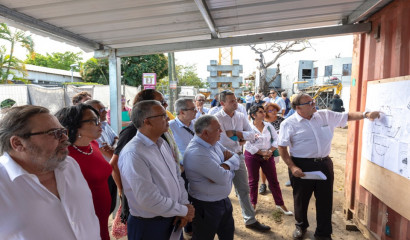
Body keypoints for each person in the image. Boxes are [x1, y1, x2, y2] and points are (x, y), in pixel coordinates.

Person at [278, 93, 380, 240]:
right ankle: (301, 226)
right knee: (301, 198)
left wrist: (366, 114)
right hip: (301, 165)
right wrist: (292, 167)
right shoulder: (288, 124)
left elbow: (347, 116)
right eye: (309, 103)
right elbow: (282, 147)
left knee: (325, 200)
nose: (314, 104)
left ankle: (323, 233)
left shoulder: (325, 115)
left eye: (313, 101)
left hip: (324, 164)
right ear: (298, 107)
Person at [0, 105, 100, 239]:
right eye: (54, 133)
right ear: (18, 143)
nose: (65, 138)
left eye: (63, 131)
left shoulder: (70, 165)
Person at [118, 100, 194, 240]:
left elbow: (177, 177)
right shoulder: (134, 153)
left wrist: (184, 205)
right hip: (149, 226)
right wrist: (183, 210)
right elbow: (148, 200)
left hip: (173, 217)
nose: (168, 119)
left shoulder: (162, 143)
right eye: (163, 115)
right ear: (147, 122)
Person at [110, 89, 181, 225]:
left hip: (166, 203)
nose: (165, 106)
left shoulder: (160, 133)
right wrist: (123, 191)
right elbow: (115, 163)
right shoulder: (132, 132)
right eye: (161, 103)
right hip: (148, 211)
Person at [214, 90, 271, 232]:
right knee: (221, 191)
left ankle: (250, 220)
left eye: (235, 100)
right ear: (222, 103)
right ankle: (219, 223)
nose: (236, 103)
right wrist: (240, 138)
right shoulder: (215, 118)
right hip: (222, 158)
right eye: (231, 101)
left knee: (244, 189)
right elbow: (220, 140)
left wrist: (235, 133)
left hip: (238, 156)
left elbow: (252, 135)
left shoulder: (241, 115)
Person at [56, 104, 112, 240]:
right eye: (94, 121)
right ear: (75, 125)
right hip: (83, 225)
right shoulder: (64, 158)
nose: (100, 124)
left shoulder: (93, 145)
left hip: (103, 220)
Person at [184, 115, 240, 240]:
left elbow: (237, 158)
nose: (221, 131)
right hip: (206, 206)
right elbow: (223, 178)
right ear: (205, 133)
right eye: (218, 129)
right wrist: (228, 169)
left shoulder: (213, 143)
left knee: (227, 234)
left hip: (223, 201)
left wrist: (224, 166)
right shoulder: (197, 152)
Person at [244, 106, 292, 215]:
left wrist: (270, 151)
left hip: (268, 155)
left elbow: (276, 139)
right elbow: (247, 144)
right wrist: (262, 153)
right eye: (260, 112)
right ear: (253, 115)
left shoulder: (268, 126)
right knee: (253, 181)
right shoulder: (248, 127)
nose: (263, 113)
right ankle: (253, 203)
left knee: (273, 180)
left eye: (263, 111)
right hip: (252, 156)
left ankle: (280, 204)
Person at [169, 98, 197, 237]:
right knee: (184, 198)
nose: (196, 111)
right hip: (182, 171)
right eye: (192, 109)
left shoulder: (197, 124)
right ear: (181, 112)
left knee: (197, 197)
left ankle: (193, 226)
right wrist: (180, 165)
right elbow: (169, 149)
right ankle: (187, 229)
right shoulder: (169, 127)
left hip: (199, 169)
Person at [85, 99, 119, 214]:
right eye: (101, 109)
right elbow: (107, 152)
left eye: (105, 108)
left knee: (111, 204)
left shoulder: (105, 125)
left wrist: (113, 146)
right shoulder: (91, 131)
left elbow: (116, 139)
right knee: (104, 208)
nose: (105, 112)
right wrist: (114, 148)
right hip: (104, 173)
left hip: (112, 169)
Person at [259, 103, 287, 194]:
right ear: (266, 112)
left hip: (275, 147)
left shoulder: (282, 120)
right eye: (270, 110)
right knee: (263, 166)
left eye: (274, 109)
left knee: (272, 166)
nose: (273, 112)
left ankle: (271, 183)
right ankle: (263, 184)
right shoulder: (261, 121)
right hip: (263, 147)